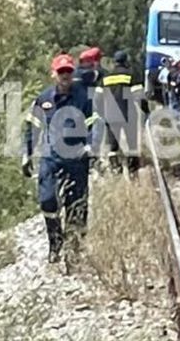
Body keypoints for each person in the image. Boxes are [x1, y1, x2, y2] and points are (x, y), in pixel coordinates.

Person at [22, 53, 101, 264]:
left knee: (77, 205)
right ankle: (55, 244)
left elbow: (94, 124)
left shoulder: (84, 98)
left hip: (76, 159)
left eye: (68, 71)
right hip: (51, 159)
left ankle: (74, 249)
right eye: (61, 72)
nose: (65, 75)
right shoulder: (44, 99)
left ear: (72, 73)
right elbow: (32, 127)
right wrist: (26, 154)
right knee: (48, 200)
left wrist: (90, 146)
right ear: (54, 74)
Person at [102, 50, 149, 174]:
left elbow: (98, 97)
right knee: (131, 143)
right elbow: (138, 95)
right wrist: (146, 111)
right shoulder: (130, 75)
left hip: (110, 114)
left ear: (114, 61)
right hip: (128, 113)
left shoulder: (106, 77)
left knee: (113, 145)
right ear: (126, 61)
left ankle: (115, 170)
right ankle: (133, 169)